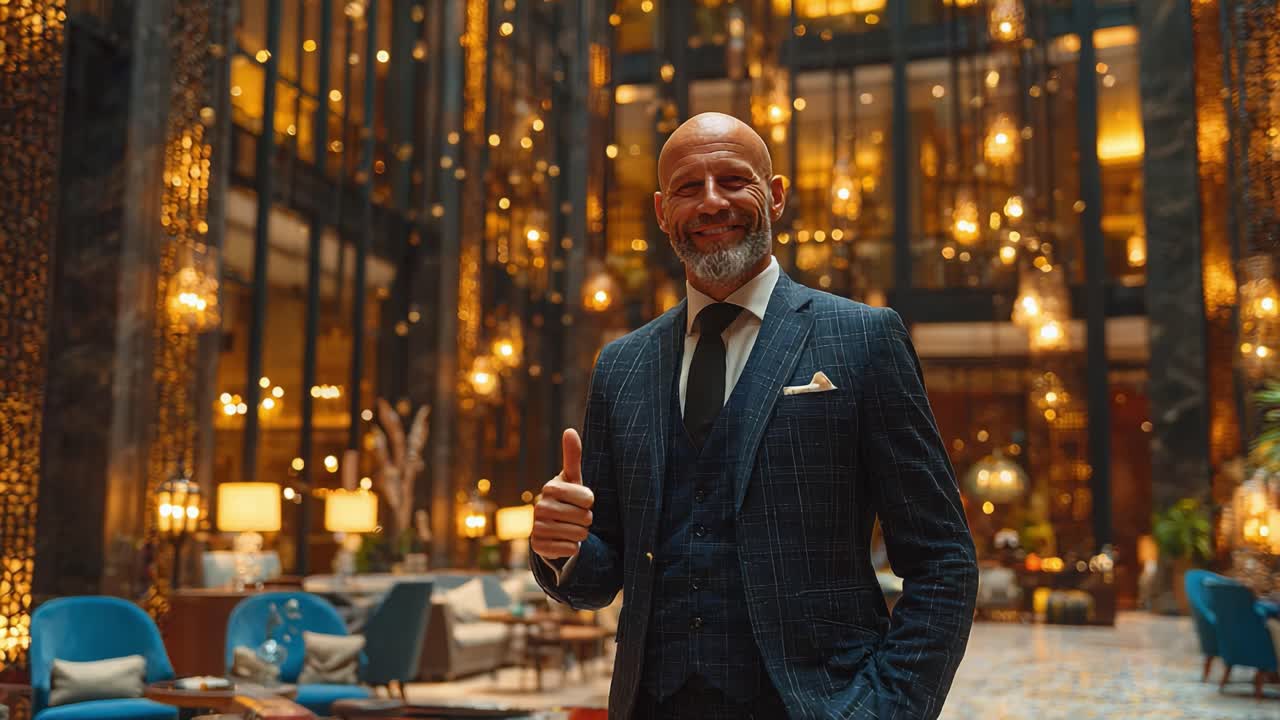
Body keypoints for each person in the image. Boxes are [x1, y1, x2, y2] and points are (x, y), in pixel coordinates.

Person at [529, 112, 978, 719]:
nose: (712, 202)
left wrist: (888, 710)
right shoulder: (622, 366)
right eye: (689, 188)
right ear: (663, 212)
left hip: (816, 704)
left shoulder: (863, 339)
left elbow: (942, 558)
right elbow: (601, 573)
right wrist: (564, 547)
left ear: (777, 195)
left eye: (734, 181)